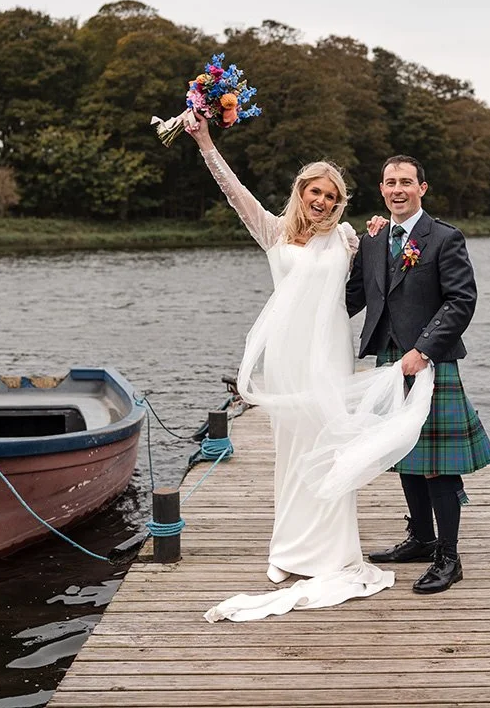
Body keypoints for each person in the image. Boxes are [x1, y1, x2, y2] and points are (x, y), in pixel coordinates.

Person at [185, 116, 434, 623]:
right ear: (300, 192)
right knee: (291, 451)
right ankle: (291, 551)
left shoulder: (346, 238)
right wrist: (204, 140)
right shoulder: (272, 231)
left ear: (339, 202)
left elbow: (379, 277)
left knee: (329, 446)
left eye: (331, 195)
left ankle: (332, 553)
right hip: (287, 358)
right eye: (314, 192)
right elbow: (230, 188)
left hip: (330, 354)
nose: (322, 201)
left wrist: (383, 235)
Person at [345, 154, 490, 594]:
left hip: (430, 362)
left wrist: (424, 350)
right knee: (403, 453)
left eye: (406, 182)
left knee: (436, 464)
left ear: (422, 189)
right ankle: (421, 538)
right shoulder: (373, 239)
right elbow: (354, 296)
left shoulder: (445, 238)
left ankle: (449, 557)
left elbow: (461, 301)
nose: (398, 189)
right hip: (388, 360)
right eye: (390, 182)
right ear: (381, 188)